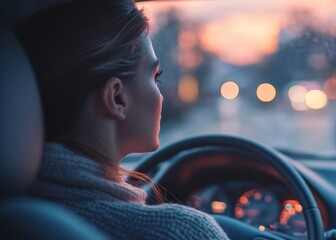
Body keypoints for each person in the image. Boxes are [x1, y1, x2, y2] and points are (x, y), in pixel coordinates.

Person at [16, 0, 229, 239]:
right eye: (155, 76)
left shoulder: (16, 214)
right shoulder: (180, 231)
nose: (160, 95)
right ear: (117, 97)